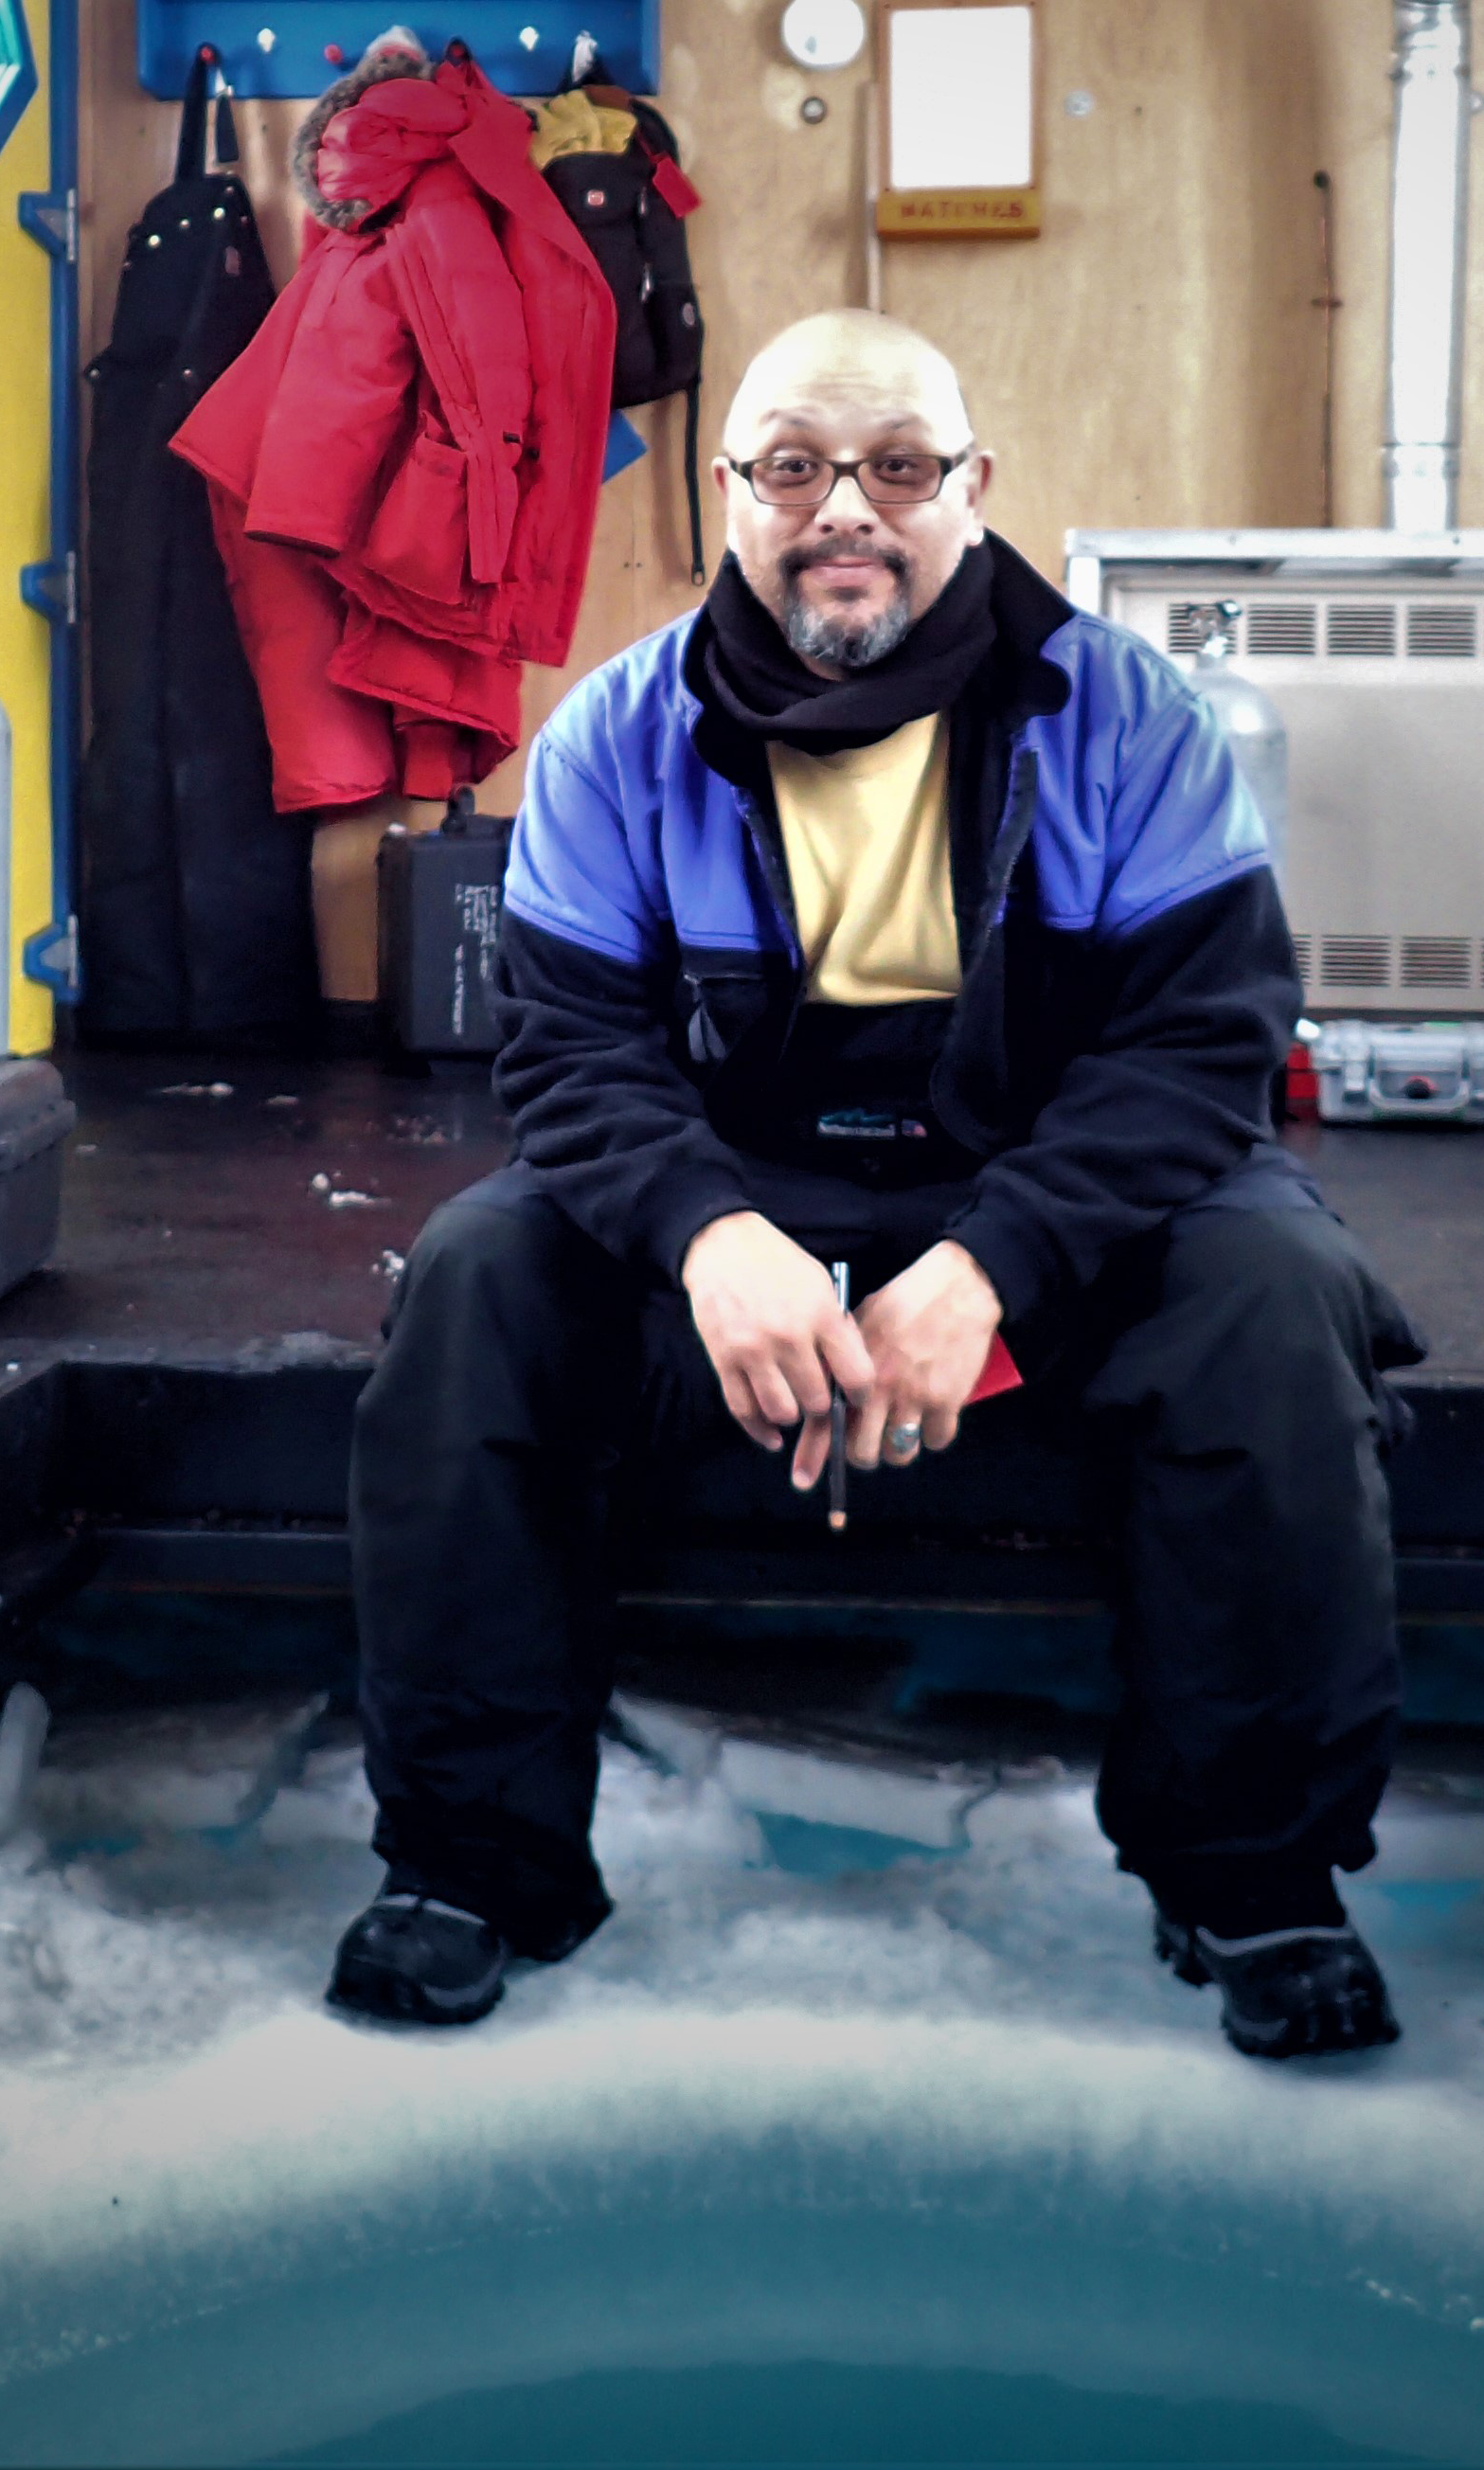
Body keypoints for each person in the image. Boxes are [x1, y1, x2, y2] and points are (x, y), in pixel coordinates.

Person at [330, 310, 1424, 2059]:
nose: (847, 507)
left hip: (1047, 1188)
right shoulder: (615, 734)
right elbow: (565, 1054)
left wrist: (995, 1260)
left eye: (899, 467)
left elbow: (1202, 1049)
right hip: (739, 1182)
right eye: (794, 468)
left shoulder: (1124, 718)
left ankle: (1256, 1876)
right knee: (476, 1288)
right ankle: (473, 1866)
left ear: (973, 492)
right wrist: (706, 1235)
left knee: (1277, 1305)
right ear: (731, 497)